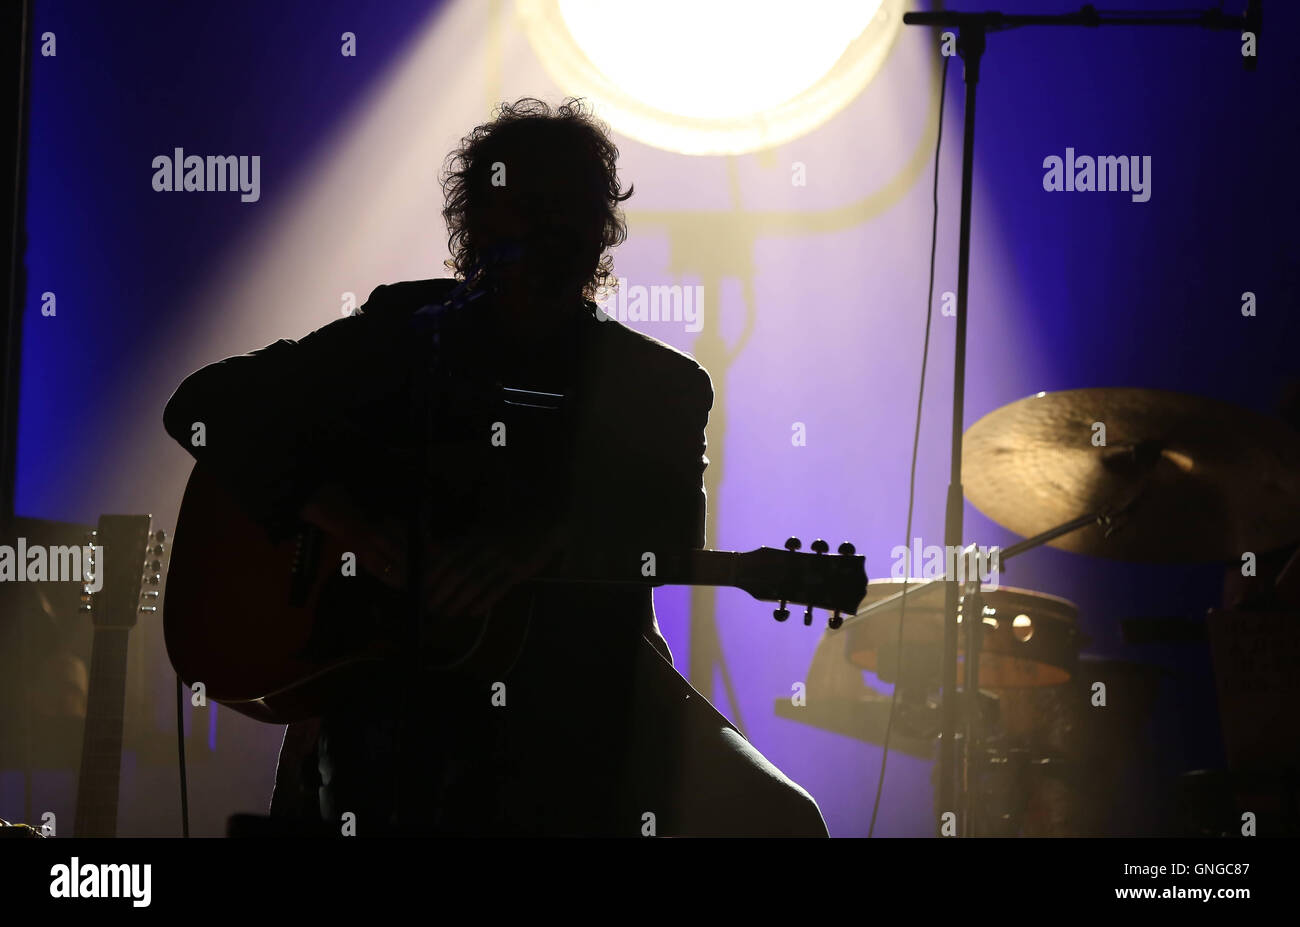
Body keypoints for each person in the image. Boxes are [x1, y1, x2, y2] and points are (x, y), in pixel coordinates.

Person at [163, 96, 827, 837]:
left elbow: (665, 530)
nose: (530, 244)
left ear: (593, 236)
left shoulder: (655, 384)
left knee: (783, 821)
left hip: (587, 686)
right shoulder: (401, 333)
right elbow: (205, 403)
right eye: (511, 214)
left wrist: (539, 541)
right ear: (472, 228)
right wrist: (336, 515)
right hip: (395, 689)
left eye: (557, 219)